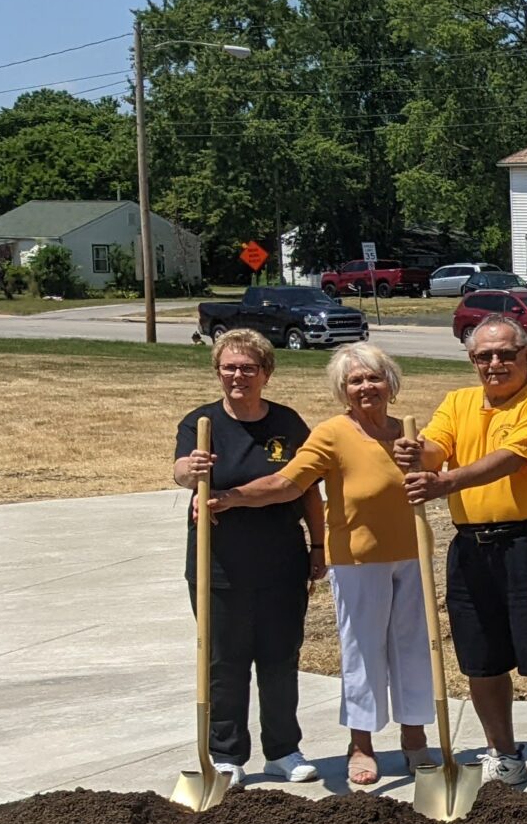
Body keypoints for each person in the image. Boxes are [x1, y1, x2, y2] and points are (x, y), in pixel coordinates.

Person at [392, 314, 527, 795]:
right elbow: (435, 448)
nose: (495, 363)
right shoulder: (458, 402)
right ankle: (503, 755)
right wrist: (416, 455)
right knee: (480, 660)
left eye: (507, 353)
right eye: (484, 355)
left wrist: (444, 481)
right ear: (471, 360)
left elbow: (511, 457)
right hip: (474, 547)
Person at [212, 341, 432, 788]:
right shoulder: (333, 432)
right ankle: (362, 745)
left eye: (374, 377)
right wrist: (229, 498)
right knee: (363, 653)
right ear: (342, 390)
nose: (366, 386)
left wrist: (427, 461)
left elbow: (439, 473)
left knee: (413, 650)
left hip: (412, 557)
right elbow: (288, 483)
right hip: (357, 559)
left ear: (391, 382)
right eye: (355, 380)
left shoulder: (408, 432)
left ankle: (415, 740)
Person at [171, 328, 322, 784]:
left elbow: (308, 490)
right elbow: (180, 470)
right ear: (217, 371)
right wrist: (190, 471)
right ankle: (226, 755)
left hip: (281, 564)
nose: (239, 376)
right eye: (230, 367)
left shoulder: (288, 425)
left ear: (266, 374)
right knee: (225, 661)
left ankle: (283, 751)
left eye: (248, 368)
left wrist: (319, 546)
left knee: (280, 658)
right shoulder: (201, 424)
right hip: (218, 567)